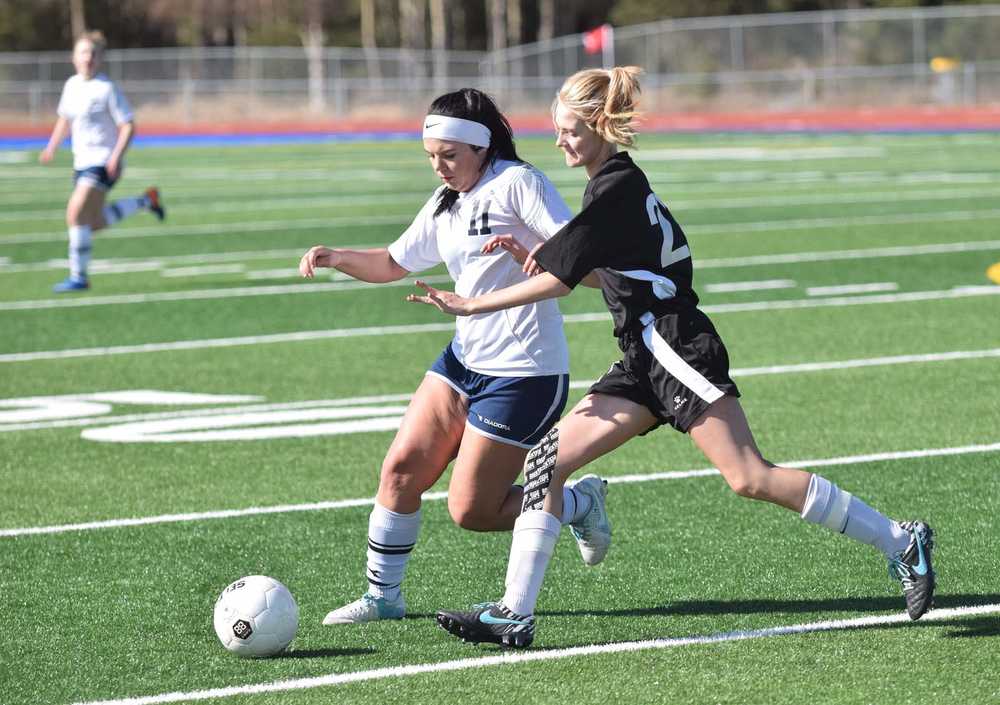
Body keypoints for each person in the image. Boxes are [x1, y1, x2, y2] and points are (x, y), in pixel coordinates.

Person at [408, 67, 936, 649]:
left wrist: (473, 303)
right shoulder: (609, 186)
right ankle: (514, 614)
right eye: (557, 130)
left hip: (674, 344)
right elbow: (598, 274)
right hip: (642, 351)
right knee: (544, 464)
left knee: (749, 477)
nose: (558, 141)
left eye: (569, 131)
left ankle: (901, 540)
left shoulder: (613, 188)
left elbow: (560, 282)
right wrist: (536, 251)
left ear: (602, 127)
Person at [299, 88, 612, 626]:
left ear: (482, 147)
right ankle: (383, 598)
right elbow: (393, 262)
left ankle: (579, 503)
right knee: (399, 469)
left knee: (471, 511)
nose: (439, 167)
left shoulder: (519, 184)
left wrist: (538, 259)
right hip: (463, 361)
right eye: (431, 157)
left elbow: (588, 267)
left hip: (524, 372)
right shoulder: (447, 201)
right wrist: (335, 257)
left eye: (449, 155)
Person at [39, 31, 165, 292]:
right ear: (74, 58)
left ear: (100, 59)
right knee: (90, 223)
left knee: (74, 213)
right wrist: (51, 146)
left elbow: (128, 125)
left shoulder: (106, 88)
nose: (89, 58)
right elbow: (65, 118)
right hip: (81, 162)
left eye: (93, 54)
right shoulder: (71, 85)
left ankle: (78, 277)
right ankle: (145, 201)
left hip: (103, 162)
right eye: (84, 52)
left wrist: (116, 157)